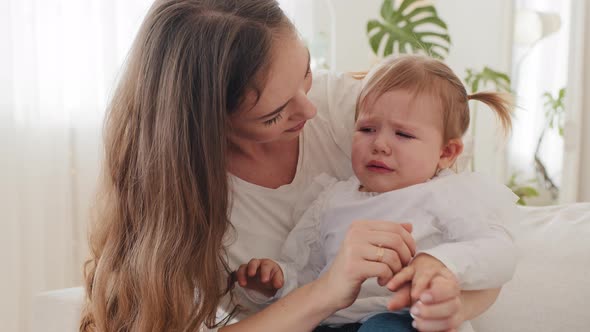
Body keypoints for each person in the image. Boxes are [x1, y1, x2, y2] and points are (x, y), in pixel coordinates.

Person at [80, 1, 507, 331]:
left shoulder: (354, 110)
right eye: (274, 114)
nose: (310, 109)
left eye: (305, 72)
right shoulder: (176, 201)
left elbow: (487, 250)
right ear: (207, 124)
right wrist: (321, 290)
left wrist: (440, 302)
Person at [234, 55, 518, 332]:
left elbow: (500, 252)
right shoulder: (330, 199)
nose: (380, 144)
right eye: (367, 129)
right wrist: (279, 280)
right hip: (331, 320)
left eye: (403, 135)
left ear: (447, 152)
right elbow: (312, 275)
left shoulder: (444, 194)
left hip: (401, 317)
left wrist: (442, 261)